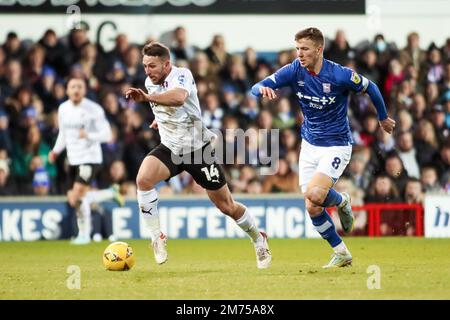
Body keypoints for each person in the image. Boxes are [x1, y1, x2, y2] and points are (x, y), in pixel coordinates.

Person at [251, 27, 396, 268]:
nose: (299, 54)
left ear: (319, 49)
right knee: (311, 204)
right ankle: (342, 252)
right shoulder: (294, 70)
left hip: (336, 145)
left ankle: (342, 201)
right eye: (297, 48)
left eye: (305, 49)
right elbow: (256, 86)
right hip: (309, 144)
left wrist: (382, 117)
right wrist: (262, 89)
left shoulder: (339, 75)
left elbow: (371, 87)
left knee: (315, 194)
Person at [125, 42, 271, 269]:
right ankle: (157, 237)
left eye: (152, 66)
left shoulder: (182, 75)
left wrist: (147, 99)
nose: (147, 71)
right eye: (144, 66)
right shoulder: (149, 83)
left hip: (197, 151)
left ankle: (258, 239)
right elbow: (167, 107)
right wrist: (158, 118)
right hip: (171, 149)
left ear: (167, 64)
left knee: (227, 206)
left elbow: (178, 98)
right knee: (143, 180)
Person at [49, 78, 124, 245]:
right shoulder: (63, 108)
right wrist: (55, 150)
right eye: (72, 86)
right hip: (73, 159)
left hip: (90, 158)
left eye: (79, 87)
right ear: (67, 90)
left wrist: (88, 135)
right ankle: (109, 193)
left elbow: (107, 135)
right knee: (73, 199)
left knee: (78, 195)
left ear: (84, 90)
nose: (76, 89)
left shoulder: (94, 109)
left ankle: (84, 234)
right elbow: (63, 133)